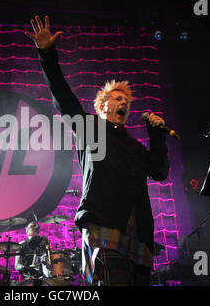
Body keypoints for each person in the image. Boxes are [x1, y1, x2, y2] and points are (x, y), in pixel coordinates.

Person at [25, 15, 170, 285]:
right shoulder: (91, 129)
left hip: (138, 235)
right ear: (102, 106)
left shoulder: (134, 146)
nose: (123, 102)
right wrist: (47, 54)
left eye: (126, 100)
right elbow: (64, 98)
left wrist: (157, 137)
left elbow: (159, 172)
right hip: (103, 227)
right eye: (117, 98)